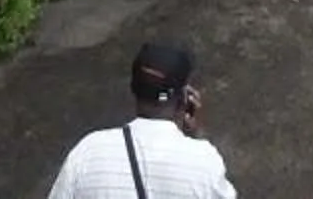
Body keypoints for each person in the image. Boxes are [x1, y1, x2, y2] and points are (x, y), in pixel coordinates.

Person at [44, 41, 237, 199]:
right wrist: (195, 136)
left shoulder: (87, 151)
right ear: (185, 98)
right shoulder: (203, 161)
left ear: (134, 89)